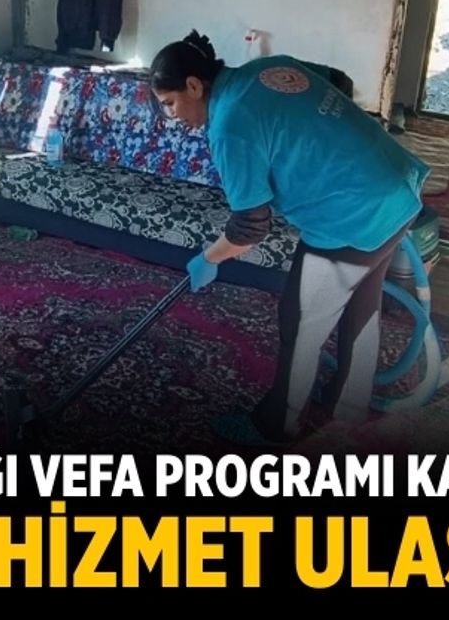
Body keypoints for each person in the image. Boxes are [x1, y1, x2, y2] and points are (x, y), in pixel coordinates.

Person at [150, 30, 431, 446]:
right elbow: (337, 81)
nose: (172, 116)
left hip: (349, 216)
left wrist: (209, 257)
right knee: (361, 301)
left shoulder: (228, 126)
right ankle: (349, 406)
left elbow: (250, 226)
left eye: (170, 103)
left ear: (194, 85)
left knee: (300, 322)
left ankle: (275, 426)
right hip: (396, 186)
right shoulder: (267, 68)